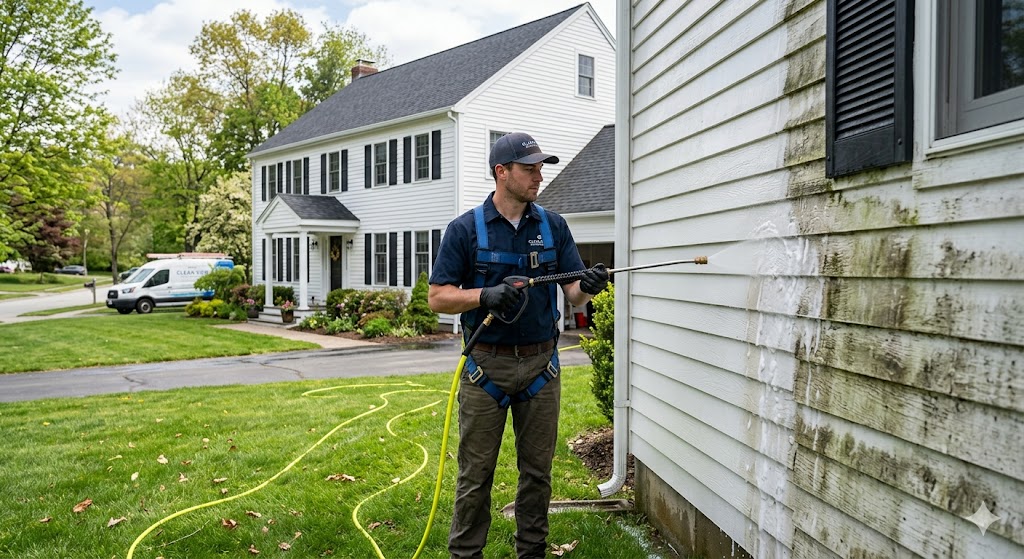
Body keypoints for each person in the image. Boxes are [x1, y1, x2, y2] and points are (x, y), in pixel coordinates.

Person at [428, 132, 609, 558]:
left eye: (540, 168)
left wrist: (590, 285)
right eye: (529, 168)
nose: (538, 176)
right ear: (501, 172)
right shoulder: (464, 230)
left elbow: (573, 294)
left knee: (538, 474)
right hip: (485, 369)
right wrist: (482, 295)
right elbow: (438, 296)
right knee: (475, 475)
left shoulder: (553, 226)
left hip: (541, 368)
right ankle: (467, 554)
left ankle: (532, 552)